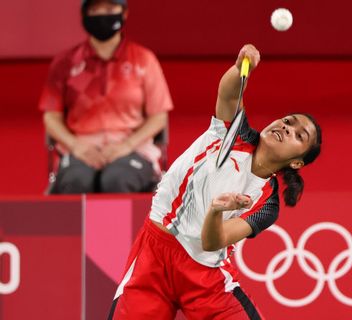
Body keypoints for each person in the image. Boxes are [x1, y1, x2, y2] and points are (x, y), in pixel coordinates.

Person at [108, 44, 322, 319]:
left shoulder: (267, 203)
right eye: (288, 121)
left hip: (204, 275)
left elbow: (214, 241)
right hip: (154, 256)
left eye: (298, 135)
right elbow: (229, 93)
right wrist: (239, 68)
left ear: (297, 162)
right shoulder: (234, 133)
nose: (286, 127)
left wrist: (216, 211)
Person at [39, 0, 173, 194]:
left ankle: (118, 226)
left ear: (124, 13)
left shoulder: (144, 59)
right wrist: (75, 146)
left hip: (133, 149)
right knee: (77, 181)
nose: (102, 15)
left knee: (116, 180)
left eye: (109, 9)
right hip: (79, 150)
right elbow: (51, 117)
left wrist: (126, 146)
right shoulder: (65, 63)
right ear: (84, 15)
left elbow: (159, 117)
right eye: (94, 9)